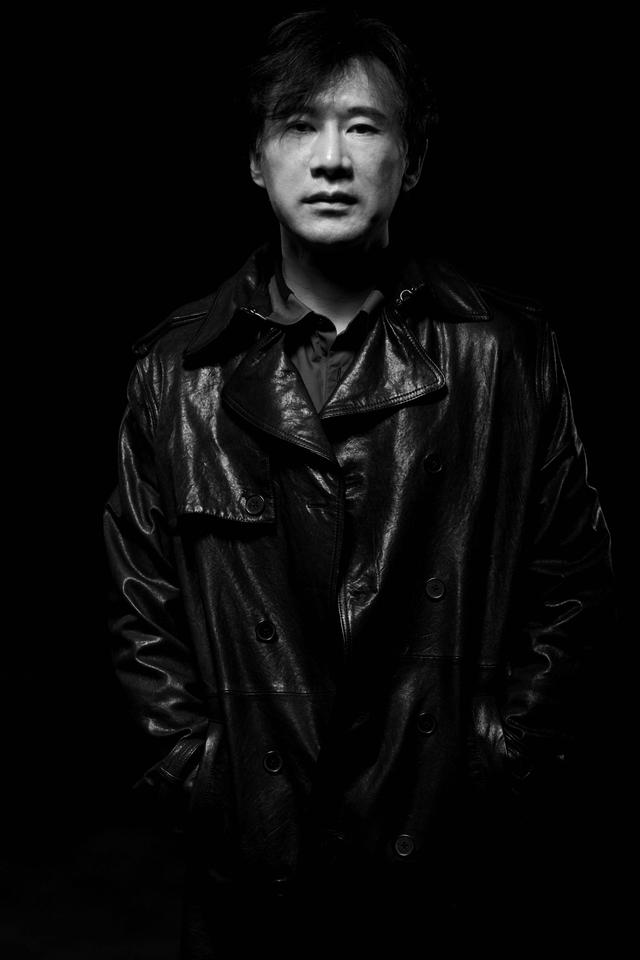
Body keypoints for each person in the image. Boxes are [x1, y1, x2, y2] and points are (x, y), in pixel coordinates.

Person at [103, 9, 614, 957]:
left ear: (410, 161)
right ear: (255, 158)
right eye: (300, 125)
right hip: (257, 854)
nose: (332, 159)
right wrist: (199, 773)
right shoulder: (175, 375)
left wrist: (506, 758)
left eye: (364, 125)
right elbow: (139, 607)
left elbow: (573, 580)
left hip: (449, 851)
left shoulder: (504, 354)